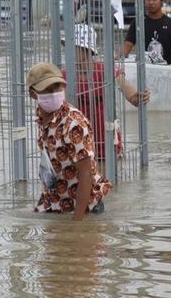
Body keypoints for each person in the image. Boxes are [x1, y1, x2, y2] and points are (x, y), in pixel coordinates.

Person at [28, 62, 111, 220]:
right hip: (57, 202)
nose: (54, 94)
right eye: (47, 90)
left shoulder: (73, 124)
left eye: (57, 88)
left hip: (85, 207)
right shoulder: (42, 117)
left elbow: (85, 174)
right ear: (33, 94)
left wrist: (77, 223)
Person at [63, 23, 149, 160]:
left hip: (106, 142)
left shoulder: (107, 70)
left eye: (74, 47)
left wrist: (140, 97)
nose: (68, 50)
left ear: (86, 49)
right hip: (77, 144)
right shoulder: (64, 75)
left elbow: (132, 96)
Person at [120, 0, 171, 65]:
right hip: (143, 69)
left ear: (162, 1)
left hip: (165, 69)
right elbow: (128, 44)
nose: (150, 3)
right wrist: (118, 58)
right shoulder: (138, 23)